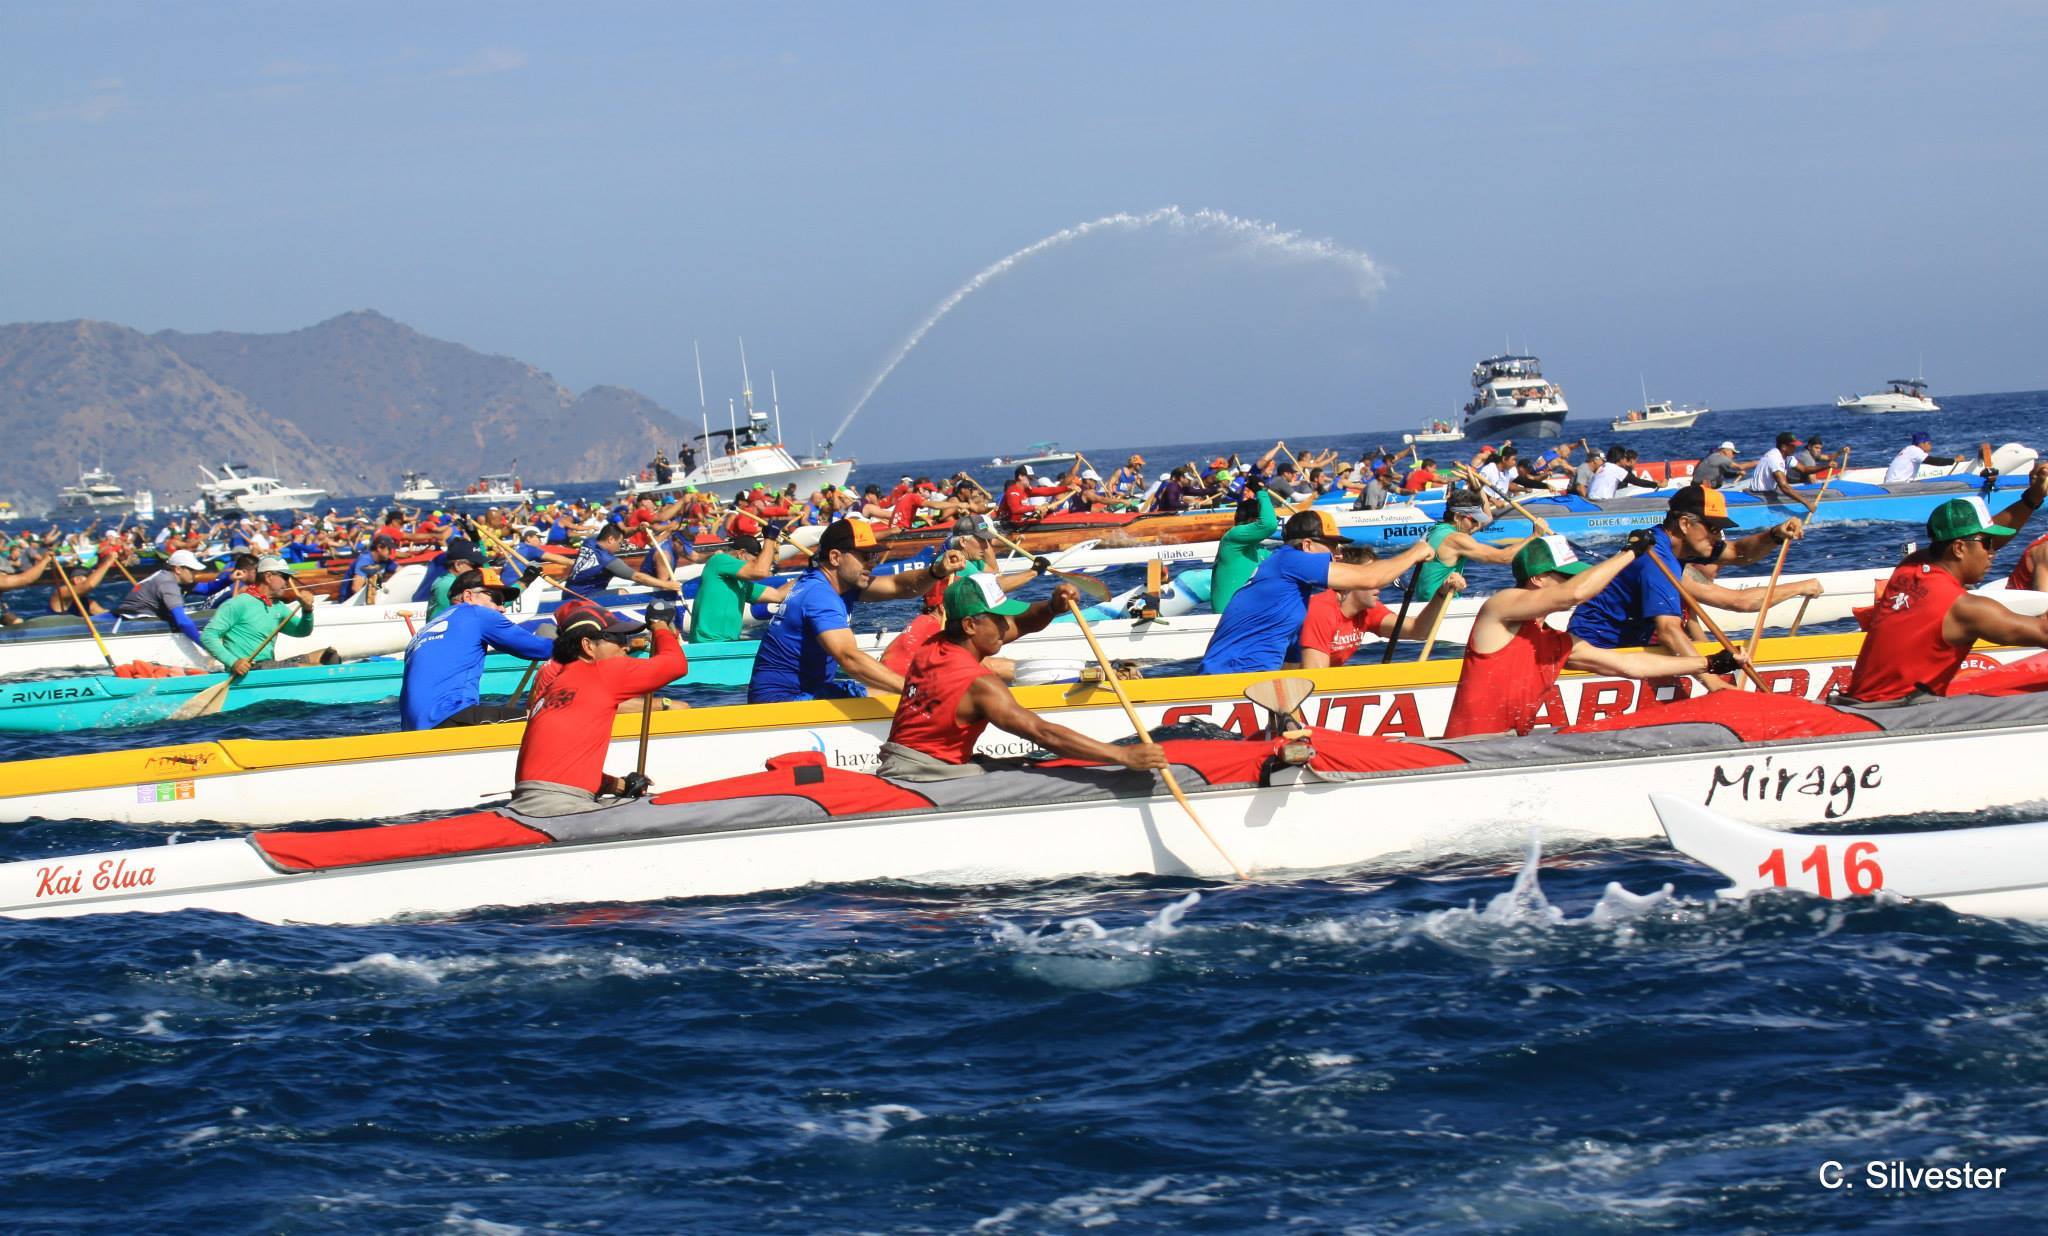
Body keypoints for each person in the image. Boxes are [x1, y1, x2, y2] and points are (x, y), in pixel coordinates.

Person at [1443, 533, 1745, 738]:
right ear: (1537, 578)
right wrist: (1630, 554)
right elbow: (1574, 594)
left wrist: (1709, 663)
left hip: (1505, 748)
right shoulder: (1500, 607)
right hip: (1467, 749)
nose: (1576, 583)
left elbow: (1631, 666)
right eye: (1564, 576)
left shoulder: (1555, 642)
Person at [876, 576, 1171, 780]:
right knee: (1046, 765)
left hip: (898, 762)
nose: (1007, 626)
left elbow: (1023, 622)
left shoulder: (932, 645)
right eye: (999, 618)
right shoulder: (980, 684)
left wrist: (1054, 607)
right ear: (969, 625)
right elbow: (1042, 732)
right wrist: (1123, 757)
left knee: (1028, 761)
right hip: (928, 775)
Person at [1566, 485, 1803, 692]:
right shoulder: (1656, 559)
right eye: (1712, 528)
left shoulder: (1678, 545)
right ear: (1685, 524)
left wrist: (1774, 535)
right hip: (1596, 652)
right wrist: (1713, 683)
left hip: (1627, 648)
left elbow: (1738, 553)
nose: (1717, 536)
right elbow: (1669, 630)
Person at [1841, 472, 2048, 702]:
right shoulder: (1965, 609)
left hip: (1861, 700)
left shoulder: (1911, 566)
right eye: (1987, 544)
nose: (1992, 553)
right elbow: (2043, 632)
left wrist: (2032, 498)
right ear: (1958, 549)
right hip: (1894, 714)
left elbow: (1968, 542)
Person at [748, 519, 965, 702]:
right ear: (835, 557)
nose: (872, 563)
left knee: (892, 692)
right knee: (906, 693)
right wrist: (917, 690)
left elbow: (899, 586)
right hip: (783, 702)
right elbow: (849, 658)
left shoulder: (837, 584)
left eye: (873, 556)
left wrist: (936, 571)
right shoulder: (819, 596)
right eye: (864, 556)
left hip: (811, 692)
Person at [1199, 511, 1433, 674]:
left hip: (1250, 676)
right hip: (1234, 676)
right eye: (1331, 545)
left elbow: (1292, 665)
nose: (1338, 553)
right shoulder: (1291, 560)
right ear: (1308, 545)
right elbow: (1370, 578)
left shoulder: (1295, 594)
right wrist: (1414, 552)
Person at [510, 601, 686, 815]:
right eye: (617, 639)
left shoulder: (553, 687)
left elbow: (559, 770)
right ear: (588, 646)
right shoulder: (602, 671)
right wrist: (659, 624)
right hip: (561, 806)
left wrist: (621, 785)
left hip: (527, 800)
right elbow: (676, 664)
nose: (626, 646)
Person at [399, 569, 556, 729]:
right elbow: (538, 649)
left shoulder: (422, 632)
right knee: (550, 719)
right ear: (468, 596)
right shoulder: (476, 613)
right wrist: (572, 641)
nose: (502, 608)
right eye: (497, 599)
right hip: (451, 717)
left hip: (413, 729)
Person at [1296, 545, 1466, 667]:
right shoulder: (1321, 609)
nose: (1380, 585)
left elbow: (1418, 631)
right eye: (1372, 577)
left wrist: (1441, 594)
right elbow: (1316, 677)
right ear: (1350, 579)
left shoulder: (1368, 610)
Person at [199, 556, 331, 674]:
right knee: (318, 668)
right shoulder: (239, 603)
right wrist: (233, 662)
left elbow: (302, 632)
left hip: (268, 666)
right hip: (251, 669)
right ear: (268, 577)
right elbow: (208, 636)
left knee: (330, 656)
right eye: (284, 577)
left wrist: (307, 610)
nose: (287, 583)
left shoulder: (277, 606)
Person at [1415, 489, 1540, 603]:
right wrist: (1535, 535)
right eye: (1474, 520)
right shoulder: (1456, 539)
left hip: (1426, 603)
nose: (1477, 525)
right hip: (1442, 606)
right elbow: (1504, 558)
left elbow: (1487, 518)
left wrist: (1480, 489)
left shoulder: (1436, 529)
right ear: (1457, 516)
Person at [688, 529, 790, 643]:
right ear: (741, 554)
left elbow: (778, 596)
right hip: (707, 642)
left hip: (728, 643)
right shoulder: (719, 560)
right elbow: (761, 571)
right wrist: (770, 539)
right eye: (755, 561)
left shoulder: (742, 585)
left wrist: (809, 572)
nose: (756, 564)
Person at [112, 548, 209, 650]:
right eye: (192, 570)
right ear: (178, 569)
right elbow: (182, 622)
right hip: (134, 620)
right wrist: (209, 648)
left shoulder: (167, 574)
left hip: (129, 613)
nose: (195, 574)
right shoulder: (168, 584)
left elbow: (207, 589)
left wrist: (226, 579)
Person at [1211, 480, 1281, 614]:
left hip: (1246, 616)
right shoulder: (1234, 537)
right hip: (1228, 618)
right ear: (1252, 521)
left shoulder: (1257, 550)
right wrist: (1261, 493)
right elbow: (1269, 525)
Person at [565, 522, 673, 594]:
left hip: (568, 593)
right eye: (620, 543)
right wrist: (666, 584)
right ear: (611, 539)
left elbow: (620, 534)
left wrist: (638, 529)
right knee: (621, 593)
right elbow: (637, 577)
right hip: (583, 600)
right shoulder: (607, 560)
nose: (620, 547)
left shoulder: (589, 542)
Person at [1748, 432, 1817, 515]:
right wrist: (1807, 503)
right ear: (1784, 447)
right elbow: (1784, 486)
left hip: (1770, 492)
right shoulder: (1775, 458)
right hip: (1761, 495)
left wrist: (1827, 466)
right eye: (1792, 446)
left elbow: (1804, 469)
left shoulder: (1787, 457)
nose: (1795, 448)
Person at [1884, 431, 1969, 483]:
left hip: (1893, 483)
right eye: (1929, 443)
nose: (1931, 446)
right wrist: (1954, 460)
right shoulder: (1915, 450)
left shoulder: (1908, 449)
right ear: (1922, 443)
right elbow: (1933, 461)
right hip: (1897, 485)